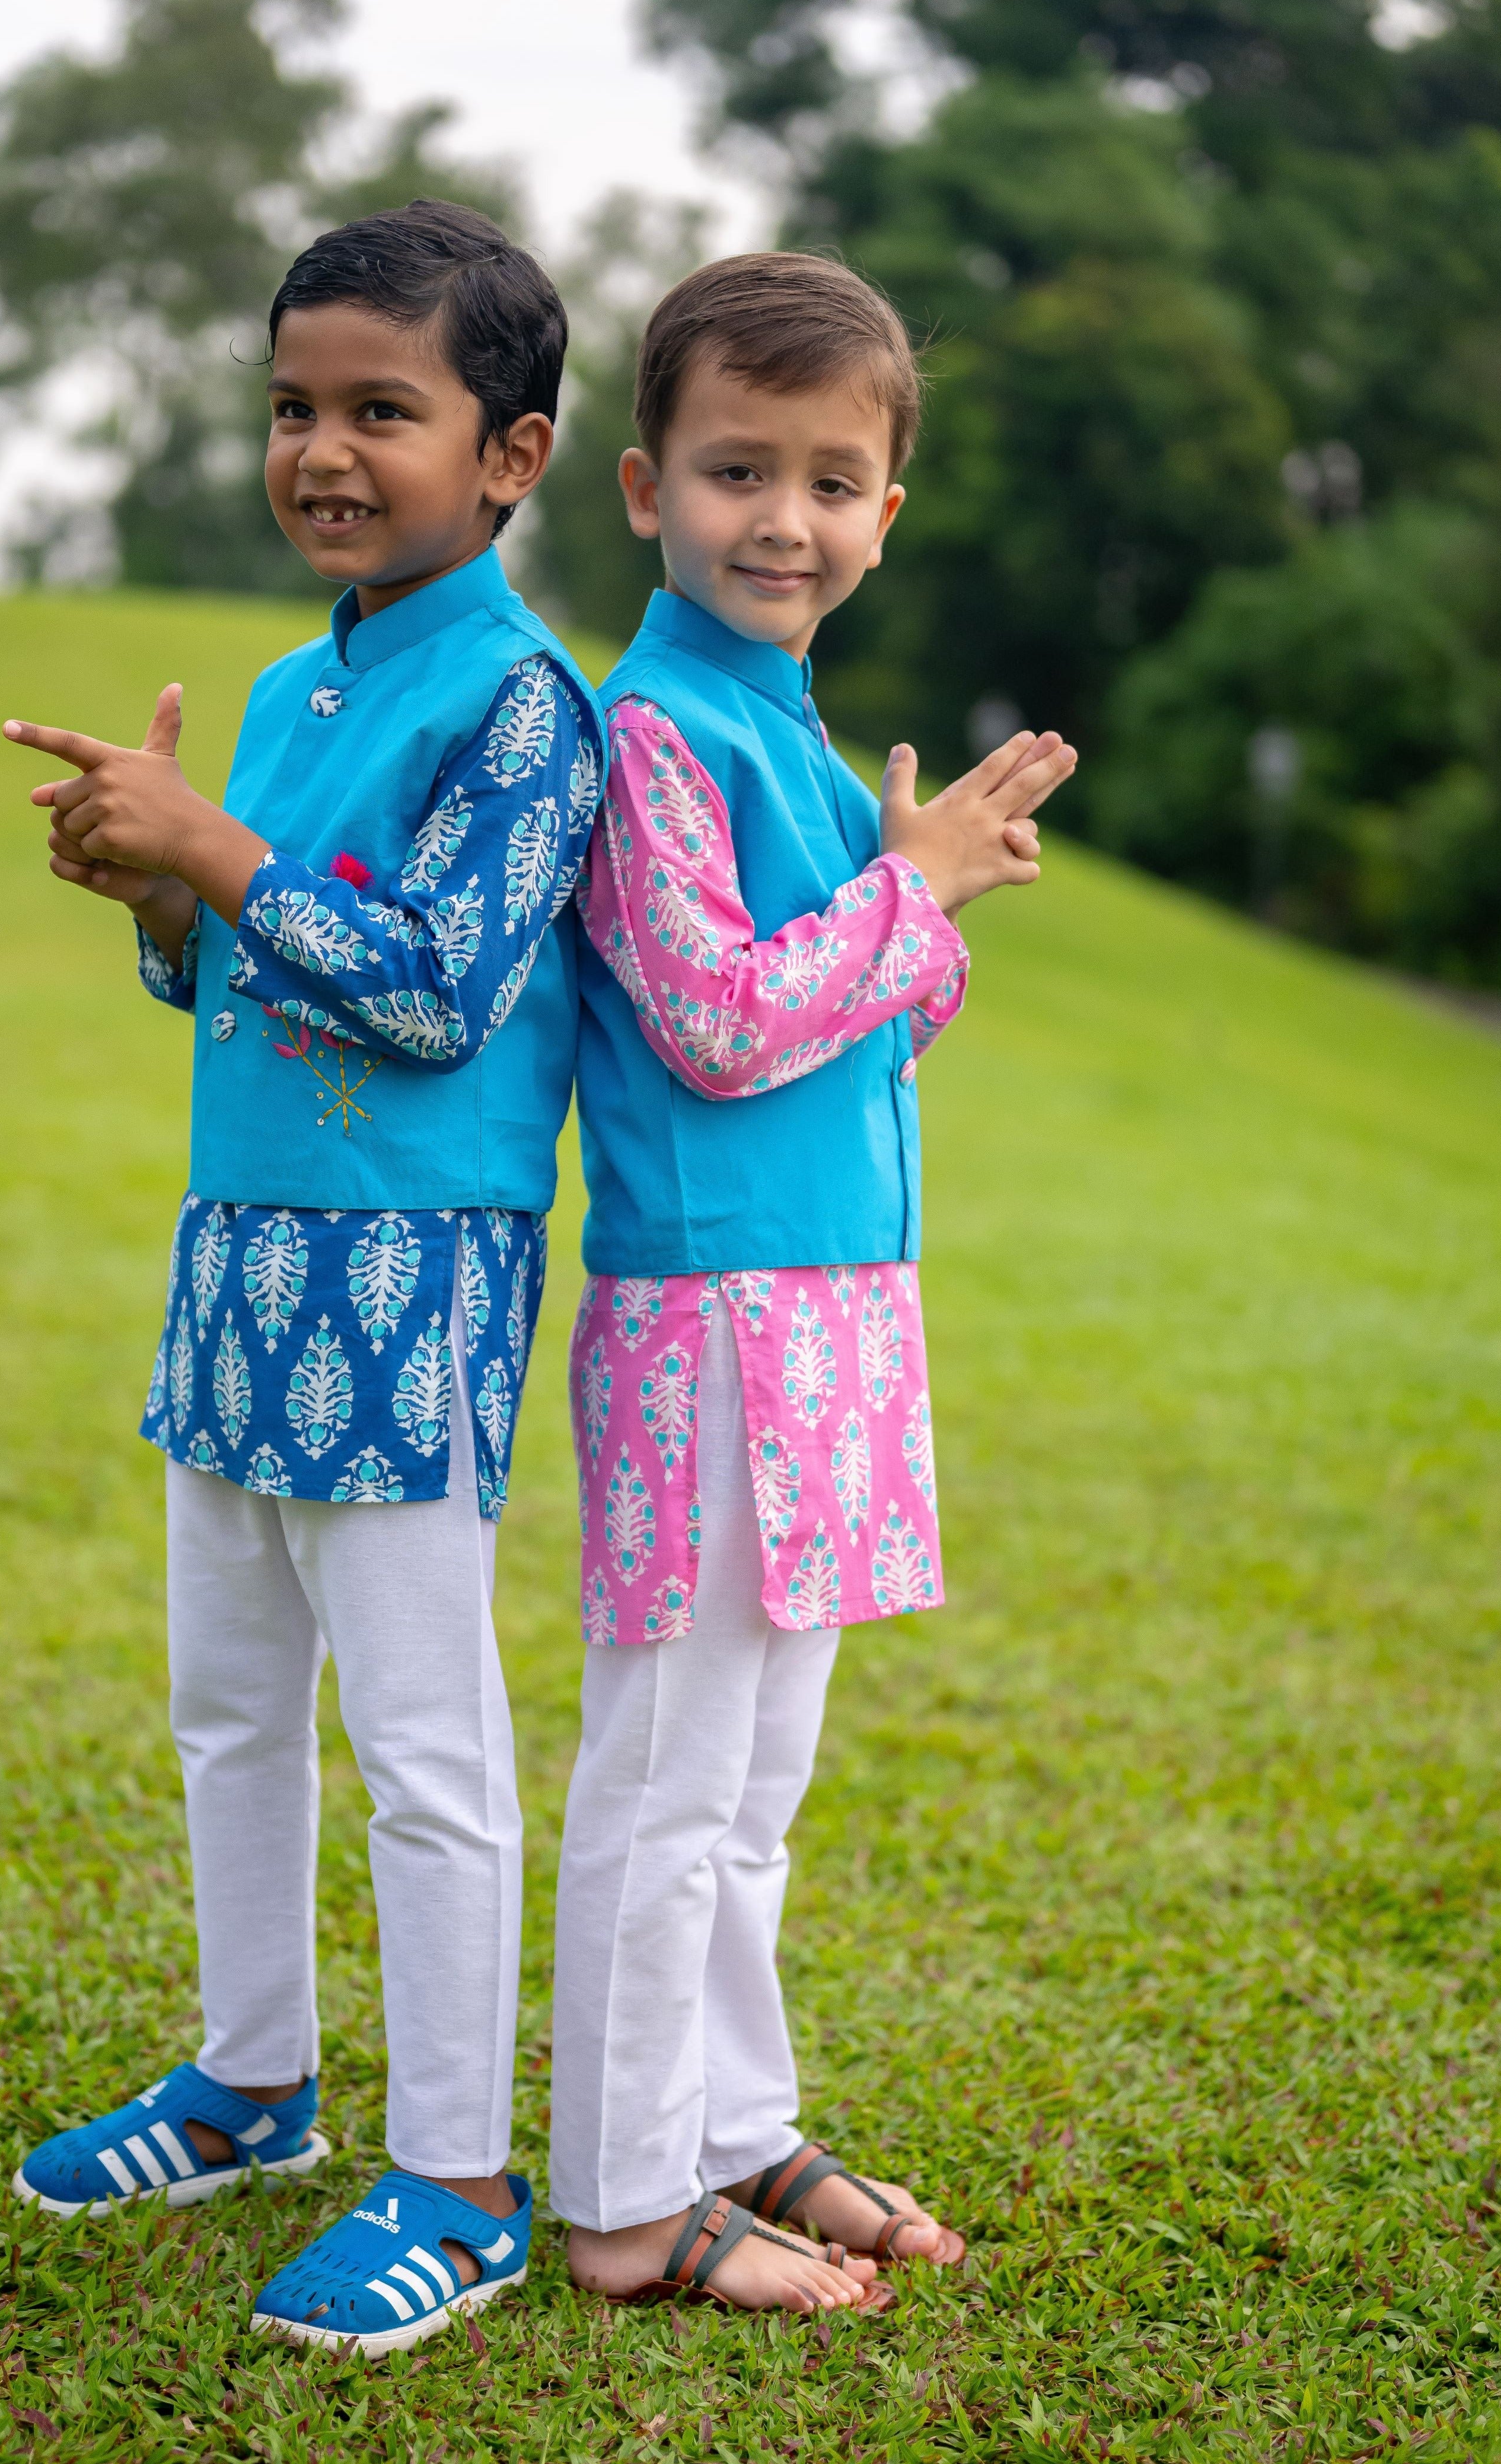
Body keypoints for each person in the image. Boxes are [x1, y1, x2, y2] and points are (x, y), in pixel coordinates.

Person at [1, 200, 606, 2357]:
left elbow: (438, 993)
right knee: (232, 1705)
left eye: (381, 411)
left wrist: (220, 854)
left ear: (511, 455)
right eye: (291, 407)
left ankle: (459, 2179)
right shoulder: (285, 687)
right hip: (240, 1260)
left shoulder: (530, 704)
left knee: (424, 1745)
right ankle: (251, 2080)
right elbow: (240, 984)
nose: (323, 451)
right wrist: (160, 904)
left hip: (411, 1276)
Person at [551, 252, 1078, 2313]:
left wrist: (922, 898)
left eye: (834, 483)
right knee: (669, 1777)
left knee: (758, 1785)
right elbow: (715, 1021)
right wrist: (909, 890)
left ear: (886, 511)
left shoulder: (785, 726)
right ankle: (623, 2198)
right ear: (644, 489)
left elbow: (863, 1021)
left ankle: (729, 2126)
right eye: (739, 470)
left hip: (843, 1305)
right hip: (712, 1318)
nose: (787, 518)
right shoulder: (653, 733)